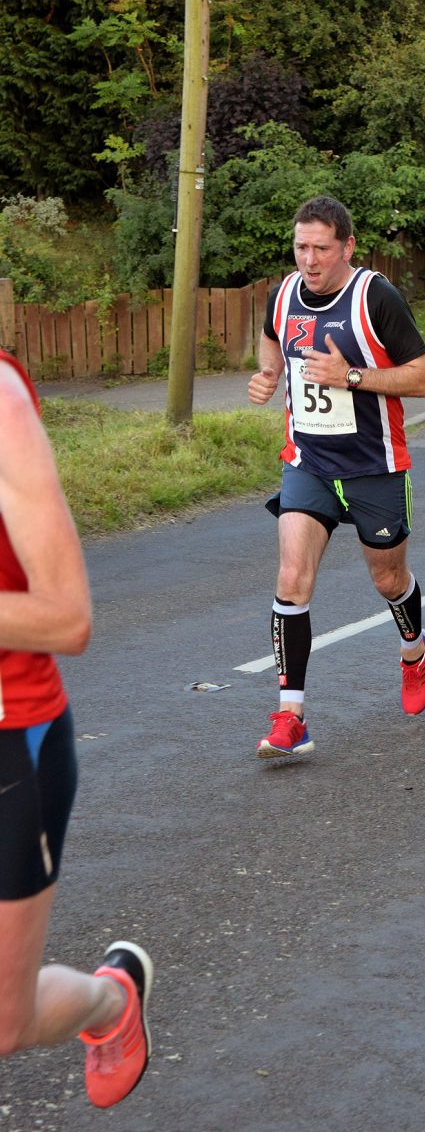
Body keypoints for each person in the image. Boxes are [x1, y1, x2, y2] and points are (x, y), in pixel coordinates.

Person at [0, 347, 153, 1109]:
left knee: (5, 1020)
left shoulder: (0, 404)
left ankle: (111, 1002)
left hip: (13, 741)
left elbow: (67, 615)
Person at [248, 195, 425, 758]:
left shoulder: (375, 296)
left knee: (387, 581)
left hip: (375, 468)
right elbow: (271, 339)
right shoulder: (284, 293)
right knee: (291, 578)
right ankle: (290, 716)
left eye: (321, 249)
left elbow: (423, 379)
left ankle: (413, 648)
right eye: (301, 247)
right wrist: (266, 374)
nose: (309, 260)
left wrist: (351, 376)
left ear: (347, 246)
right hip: (307, 463)